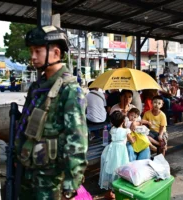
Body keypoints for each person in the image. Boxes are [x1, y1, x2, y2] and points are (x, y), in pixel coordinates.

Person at [15, 26, 88, 200]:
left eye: (37, 51)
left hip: (52, 179)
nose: (32, 57)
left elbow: (77, 140)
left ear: (55, 53)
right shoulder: (37, 87)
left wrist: (70, 185)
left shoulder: (69, 89)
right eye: (31, 51)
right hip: (30, 172)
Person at [99, 111, 133, 199]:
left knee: (110, 169)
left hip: (111, 150)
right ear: (123, 121)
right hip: (121, 151)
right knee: (120, 169)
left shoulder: (112, 130)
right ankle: (118, 191)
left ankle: (109, 191)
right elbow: (132, 141)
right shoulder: (126, 131)